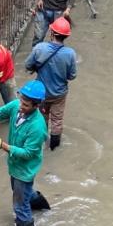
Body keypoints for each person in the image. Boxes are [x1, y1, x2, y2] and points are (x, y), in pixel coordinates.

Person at [0, 80, 51, 226]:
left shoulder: (38, 127)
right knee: (22, 193)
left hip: (24, 170)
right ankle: (41, 205)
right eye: (21, 100)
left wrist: (2, 145)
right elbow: (0, 112)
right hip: (14, 165)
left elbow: (28, 153)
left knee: (19, 206)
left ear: (36, 106)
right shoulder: (16, 106)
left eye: (26, 105)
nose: (21, 106)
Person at [25, 17, 78, 150]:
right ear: (65, 36)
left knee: (41, 118)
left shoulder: (39, 48)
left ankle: (39, 145)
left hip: (41, 93)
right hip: (59, 94)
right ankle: (54, 147)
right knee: (57, 120)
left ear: (52, 33)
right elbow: (72, 76)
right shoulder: (70, 54)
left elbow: (28, 65)